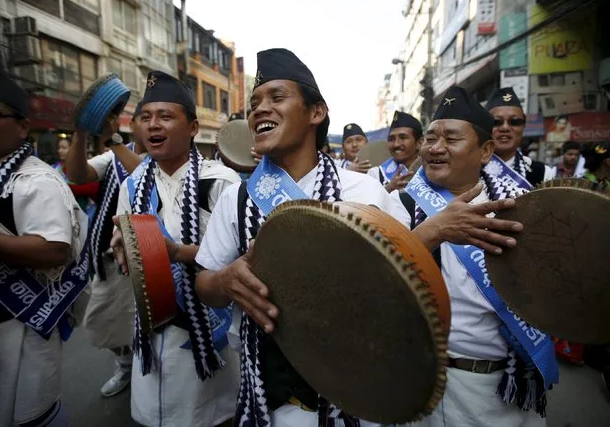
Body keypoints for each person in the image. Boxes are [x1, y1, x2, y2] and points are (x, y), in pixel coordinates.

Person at [194, 49, 525, 427]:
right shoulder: (237, 199)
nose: (260, 110)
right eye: (254, 104)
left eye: (276, 97)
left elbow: (399, 288)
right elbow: (204, 283)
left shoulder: (364, 192)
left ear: (316, 113)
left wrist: (430, 233)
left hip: (360, 398)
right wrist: (225, 280)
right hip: (269, 397)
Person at [396, 86, 558, 427]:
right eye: (430, 138)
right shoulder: (399, 206)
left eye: (451, 139)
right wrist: (432, 232)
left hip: (502, 390)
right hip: (422, 383)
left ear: (485, 151)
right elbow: (368, 278)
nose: (436, 148)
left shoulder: (519, 210)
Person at [111, 71, 241, 427]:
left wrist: (177, 253)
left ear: (194, 127)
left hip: (206, 322)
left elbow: (238, 259)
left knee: (209, 415)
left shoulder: (221, 182)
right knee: (153, 414)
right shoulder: (133, 184)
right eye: (146, 117)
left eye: (166, 116)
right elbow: (126, 237)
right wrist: (123, 248)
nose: (154, 125)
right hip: (153, 318)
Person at [0, 62, 88, 426]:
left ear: (22, 127)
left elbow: (54, 250)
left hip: (21, 319)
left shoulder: (36, 180)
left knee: (27, 415)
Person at [64, 103, 145, 398]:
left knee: (151, 325)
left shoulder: (167, 159)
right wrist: (81, 132)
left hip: (153, 260)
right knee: (104, 320)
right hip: (109, 256)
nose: (151, 125)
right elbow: (77, 174)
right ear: (132, 124)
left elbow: (146, 175)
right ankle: (125, 364)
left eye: (160, 117)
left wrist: (113, 141)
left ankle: (143, 369)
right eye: (143, 118)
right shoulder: (113, 156)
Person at [485, 88, 555, 186]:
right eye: (496, 122)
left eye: (514, 122)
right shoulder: (470, 169)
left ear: (524, 124)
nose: (505, 128)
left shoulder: (542, 173)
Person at [368, 110, 421, 192]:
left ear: (419, 143)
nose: (396, 144)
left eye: (403, 137)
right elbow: (367, 203)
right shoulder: (376, 174)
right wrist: (389, 188)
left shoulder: (430, 171)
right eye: (391, 139)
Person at [52, 136, 99, 217]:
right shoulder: (53, 168)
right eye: (59, 148)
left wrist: (64, 187)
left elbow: (93, 189)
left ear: (73, 149)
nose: (60, 151)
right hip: (60, 213)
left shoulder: (84, 167)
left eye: (64, 148)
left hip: (82, 212)